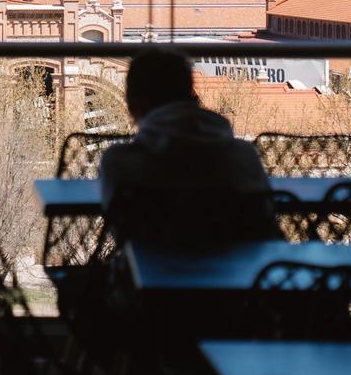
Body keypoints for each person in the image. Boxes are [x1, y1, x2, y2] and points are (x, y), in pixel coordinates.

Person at [99, 49, 278, 243]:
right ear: (191, 94)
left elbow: (120, 230)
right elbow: (264, 221)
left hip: (157, 260)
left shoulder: (119, 162)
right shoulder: (243, 155)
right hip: (241, 261)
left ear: (136, 106)